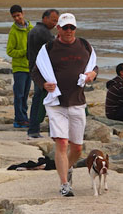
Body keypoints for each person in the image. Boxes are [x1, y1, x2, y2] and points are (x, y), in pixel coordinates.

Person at [31, 12, 98, 197]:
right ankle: (64, 184)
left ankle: (67, 168)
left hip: (77, 102)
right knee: (61, 142)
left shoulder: (85, 46)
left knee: (77, 148)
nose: (69, 31)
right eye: (65, 27)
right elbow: (36, 71)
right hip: (56, 103)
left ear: (75, 28)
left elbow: (94, 67)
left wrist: (92, 75)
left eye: (72, 27)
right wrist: (43, 85)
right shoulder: (49, 48)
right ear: (58, 29)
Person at [26, 9, 60, 139]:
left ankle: (34, 128)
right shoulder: (43, 33)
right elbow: (55, 51)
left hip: (35, 69)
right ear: (44, 18)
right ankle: (35, 129)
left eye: (57, 21)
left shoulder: (34, 30)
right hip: (42, 72)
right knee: (42, 100)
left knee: (39, 99)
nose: (55, 23)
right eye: (53, 20)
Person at [6, 5, 34, 128]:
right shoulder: (13, 32)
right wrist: (24, 52)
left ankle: (24, 117)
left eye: (18, 15)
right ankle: (19, 119)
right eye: (14, 17)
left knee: (26, 94)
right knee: (19, 95)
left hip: (30, 67)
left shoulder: (31, 29)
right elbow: (10, 51)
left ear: (23, 13)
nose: (17, 18)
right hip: (19, 68)